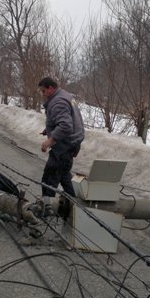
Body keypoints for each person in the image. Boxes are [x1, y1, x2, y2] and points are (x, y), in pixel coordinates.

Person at [38, 77, 85, 210]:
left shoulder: (58, 101)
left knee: (49, 179)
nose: (43, 94)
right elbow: (67, 119)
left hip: (64, 146)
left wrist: (50, 140)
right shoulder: (66, 96)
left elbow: (65, 126)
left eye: (43, 91)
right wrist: (49, 129)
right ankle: (76, 206)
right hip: (72, 143)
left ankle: (46, 208)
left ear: (50, 88)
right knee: (64, 175)